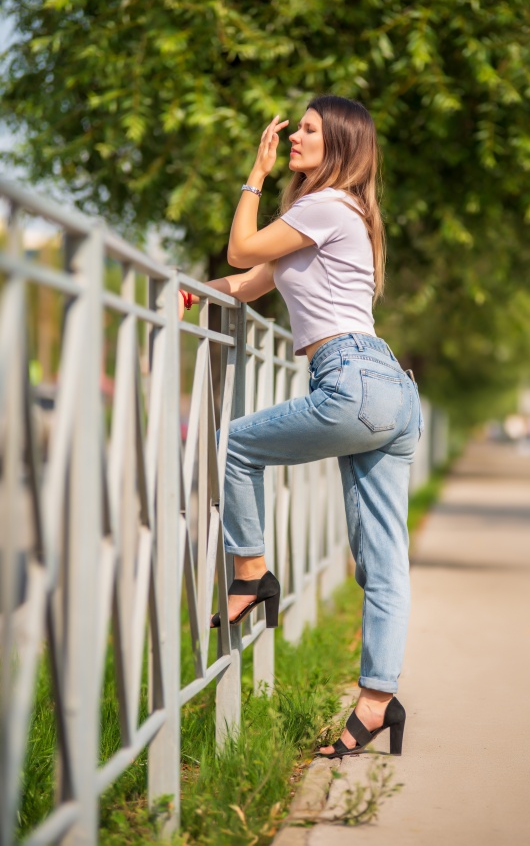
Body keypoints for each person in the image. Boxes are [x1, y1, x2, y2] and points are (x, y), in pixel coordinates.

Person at [180, 96, 420, 758]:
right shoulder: (345, 215)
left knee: (236, 444)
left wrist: (253, 175)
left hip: (351, 381)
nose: (293, 137)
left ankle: (252, 571)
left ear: (339, 143)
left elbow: (241, 242)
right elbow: (250, 276)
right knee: (383, 559)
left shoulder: (323, 203)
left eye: (308, 129)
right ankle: (377, 700)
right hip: (390, 392)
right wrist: (191, 289)